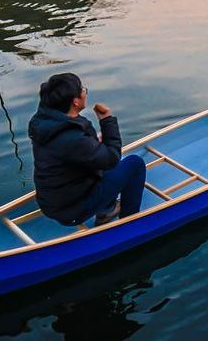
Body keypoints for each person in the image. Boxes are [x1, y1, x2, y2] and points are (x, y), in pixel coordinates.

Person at [28, 72, 146, 227]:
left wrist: (92, 142)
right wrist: (107, 121)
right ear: (75, 102)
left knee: (100, 159)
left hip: (51, 203)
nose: (84, 92)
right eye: (82, 89)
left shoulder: (43, 123)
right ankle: (129, 224)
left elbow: (68, 151)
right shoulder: (74, 138)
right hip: (72, 211)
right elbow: (112, 159)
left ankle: (107, 210)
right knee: (134, 164)